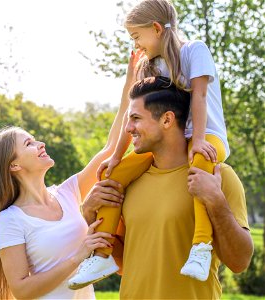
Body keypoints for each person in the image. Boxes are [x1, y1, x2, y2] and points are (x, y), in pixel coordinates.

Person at [69, 0, 232, 288]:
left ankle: (201, 248)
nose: (137, 44)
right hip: (173, 140)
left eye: (137, 37)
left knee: (202, 162)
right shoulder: (151, 65)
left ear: (156, 28)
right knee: (114, 175)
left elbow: (200, 97)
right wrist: (117, 155)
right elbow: (134, 116)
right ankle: (102, 253)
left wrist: (196, 140)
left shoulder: (195, 51)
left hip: (207, 135)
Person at [81, 76, 253, 299]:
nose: (129, 128)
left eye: (135, 118)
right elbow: (124, 264)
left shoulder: (217, 177)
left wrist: (216, 201)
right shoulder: (129, 183)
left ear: (167, 120)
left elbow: (239, 262)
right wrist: (88, 214)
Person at [0, 118, 125, 298]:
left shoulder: (67, 193)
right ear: (14, 165)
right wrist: (78, 256)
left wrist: (131, 93)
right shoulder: (11, 219)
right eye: (29, 144)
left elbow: (111, 149)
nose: (41, 144)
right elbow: (21, 290)